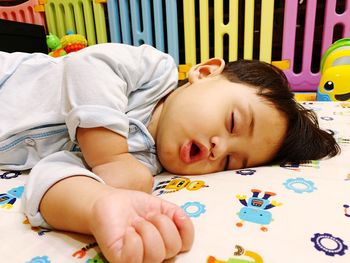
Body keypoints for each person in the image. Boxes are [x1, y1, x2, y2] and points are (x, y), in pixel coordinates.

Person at [0, 43, 339, 263]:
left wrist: (96, 203)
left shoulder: (143, 165)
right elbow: (90, 63)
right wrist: (109, 156)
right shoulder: (152, 73)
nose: (220, 148)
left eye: (231, 162)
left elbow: (53, 174)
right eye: (233, 122)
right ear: (205, 73)